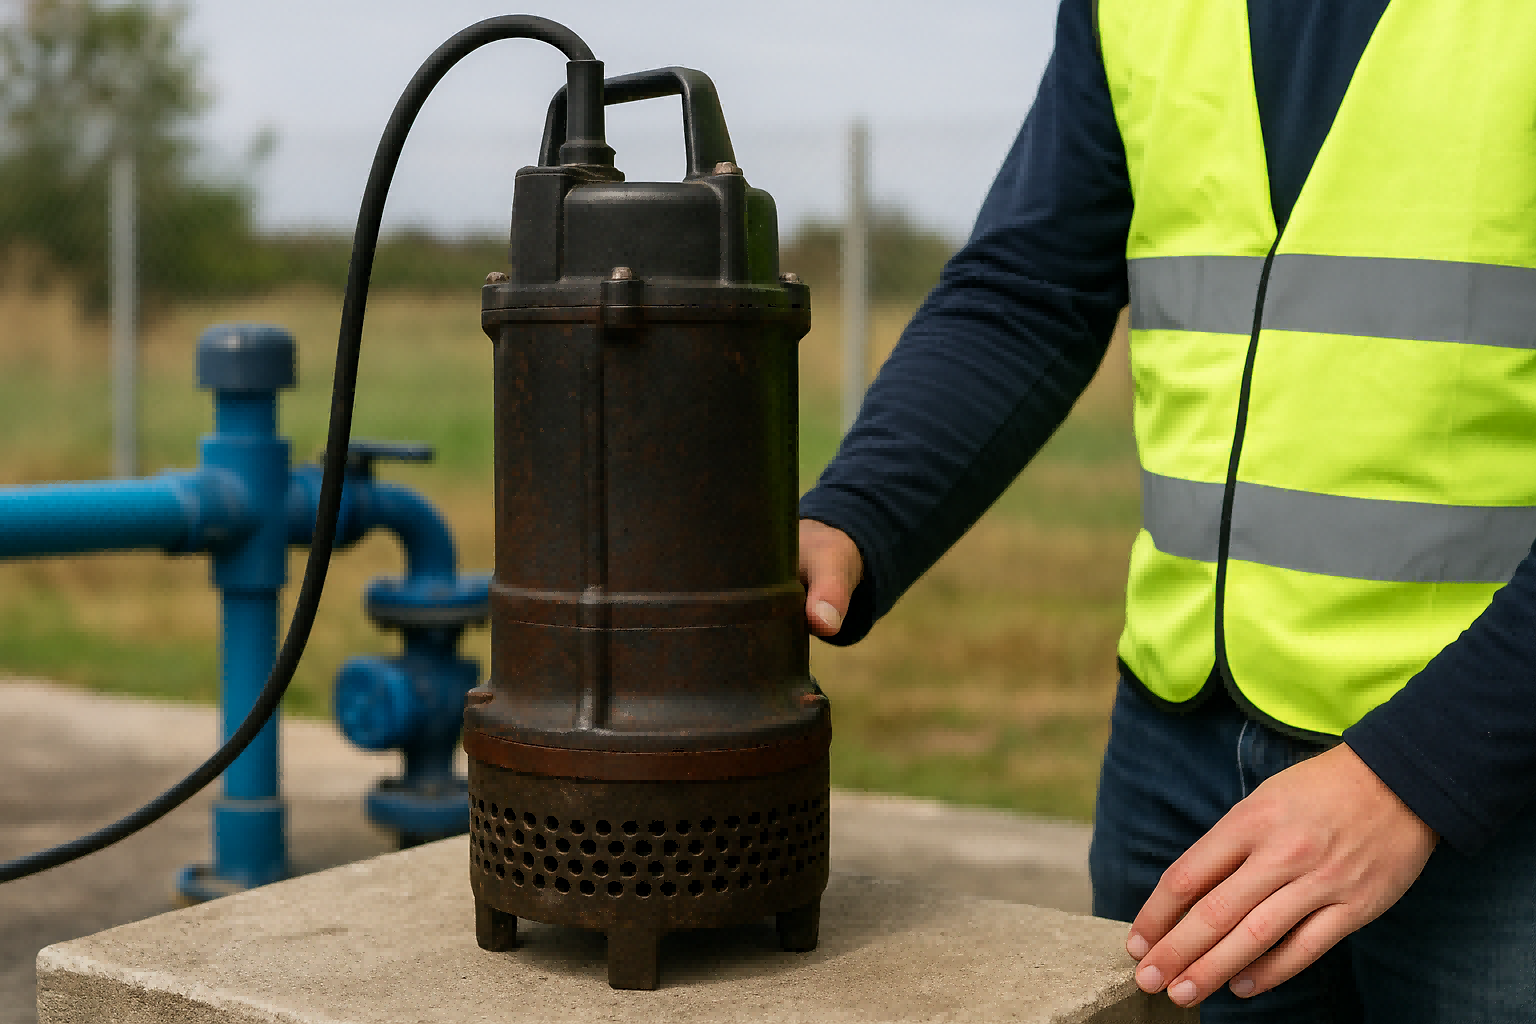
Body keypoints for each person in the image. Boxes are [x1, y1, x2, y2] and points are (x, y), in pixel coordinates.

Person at [796, 1, 1536, 1019]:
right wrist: (850, 514)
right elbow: (1031, 284)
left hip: (1497, 781)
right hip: (1181, 759)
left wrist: (1418, 773)